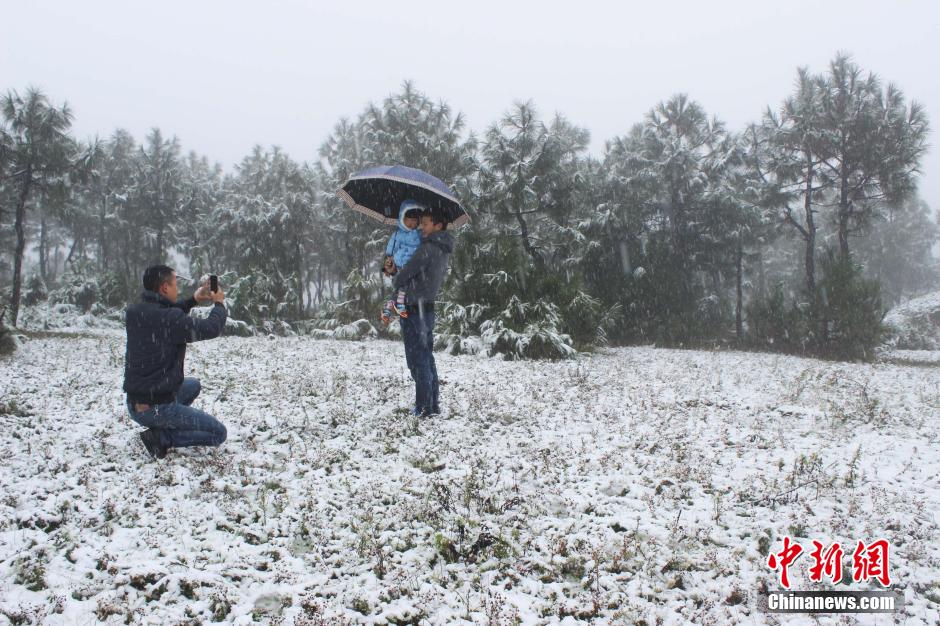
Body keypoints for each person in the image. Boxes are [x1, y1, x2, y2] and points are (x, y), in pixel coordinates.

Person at [123, 265, 228, 459]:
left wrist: (193, 300)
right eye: (175, 284)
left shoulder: (135, 312)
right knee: (218, 433)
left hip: (136, 402)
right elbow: (211, 328)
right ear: (164, 288)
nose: (177, 289)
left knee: (192, 385)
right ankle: (161, 437)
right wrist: (219, 304)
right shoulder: (168, 319)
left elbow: (165, 317)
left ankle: (165, 420)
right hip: (155, 406)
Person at [392, 210, 453, 416]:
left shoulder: (427, 249)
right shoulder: (442, 248)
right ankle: (432, 404)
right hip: (425, 308)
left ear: (438, 225)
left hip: (414, 308)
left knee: (417, 359)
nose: (421, 227)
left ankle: (424, 407)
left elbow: (402, 276)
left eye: (425, 223)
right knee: (426, 356)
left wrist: (396, 274)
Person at [381, 199, 424, 323]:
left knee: (401, 288)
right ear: (402, 219)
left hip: (413, 265)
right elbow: (391, 249)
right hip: (401, 264)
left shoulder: (419, 234)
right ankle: (399, 305)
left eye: (414, 220)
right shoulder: (398, 234)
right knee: (404, 285)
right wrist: (389, 257)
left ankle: (388, 308)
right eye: (408, 220)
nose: (411, 223)